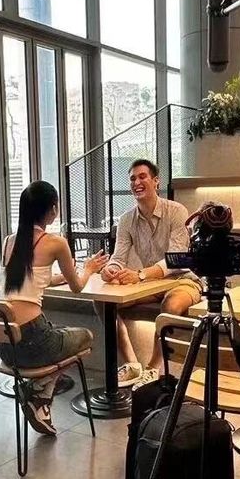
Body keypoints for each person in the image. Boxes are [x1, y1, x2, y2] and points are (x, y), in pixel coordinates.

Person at [0, 181, 108, 436]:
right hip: (33, 341)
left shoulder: (8, 241)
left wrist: (56, 277)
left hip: (5, 344)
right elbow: (77, 286)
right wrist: (89, 268)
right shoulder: (55, 243)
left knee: (57, 330)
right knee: (86, 337)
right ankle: (40, 389)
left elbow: (31, 278)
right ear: (53, 210)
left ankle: (40, 395)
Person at [98, 159, 204, 391]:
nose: (136, 182)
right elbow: (119, 256)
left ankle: (154, 368)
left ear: (156, 181)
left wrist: (140, 275)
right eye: (132, 178)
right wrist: (111, 268)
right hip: (150, 285)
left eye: (142, 176)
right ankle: (132, 364)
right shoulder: (126, 219)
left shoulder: (177, 211)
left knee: (172, 304)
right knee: (103, 302)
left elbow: (176, 260)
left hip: (183, 280)